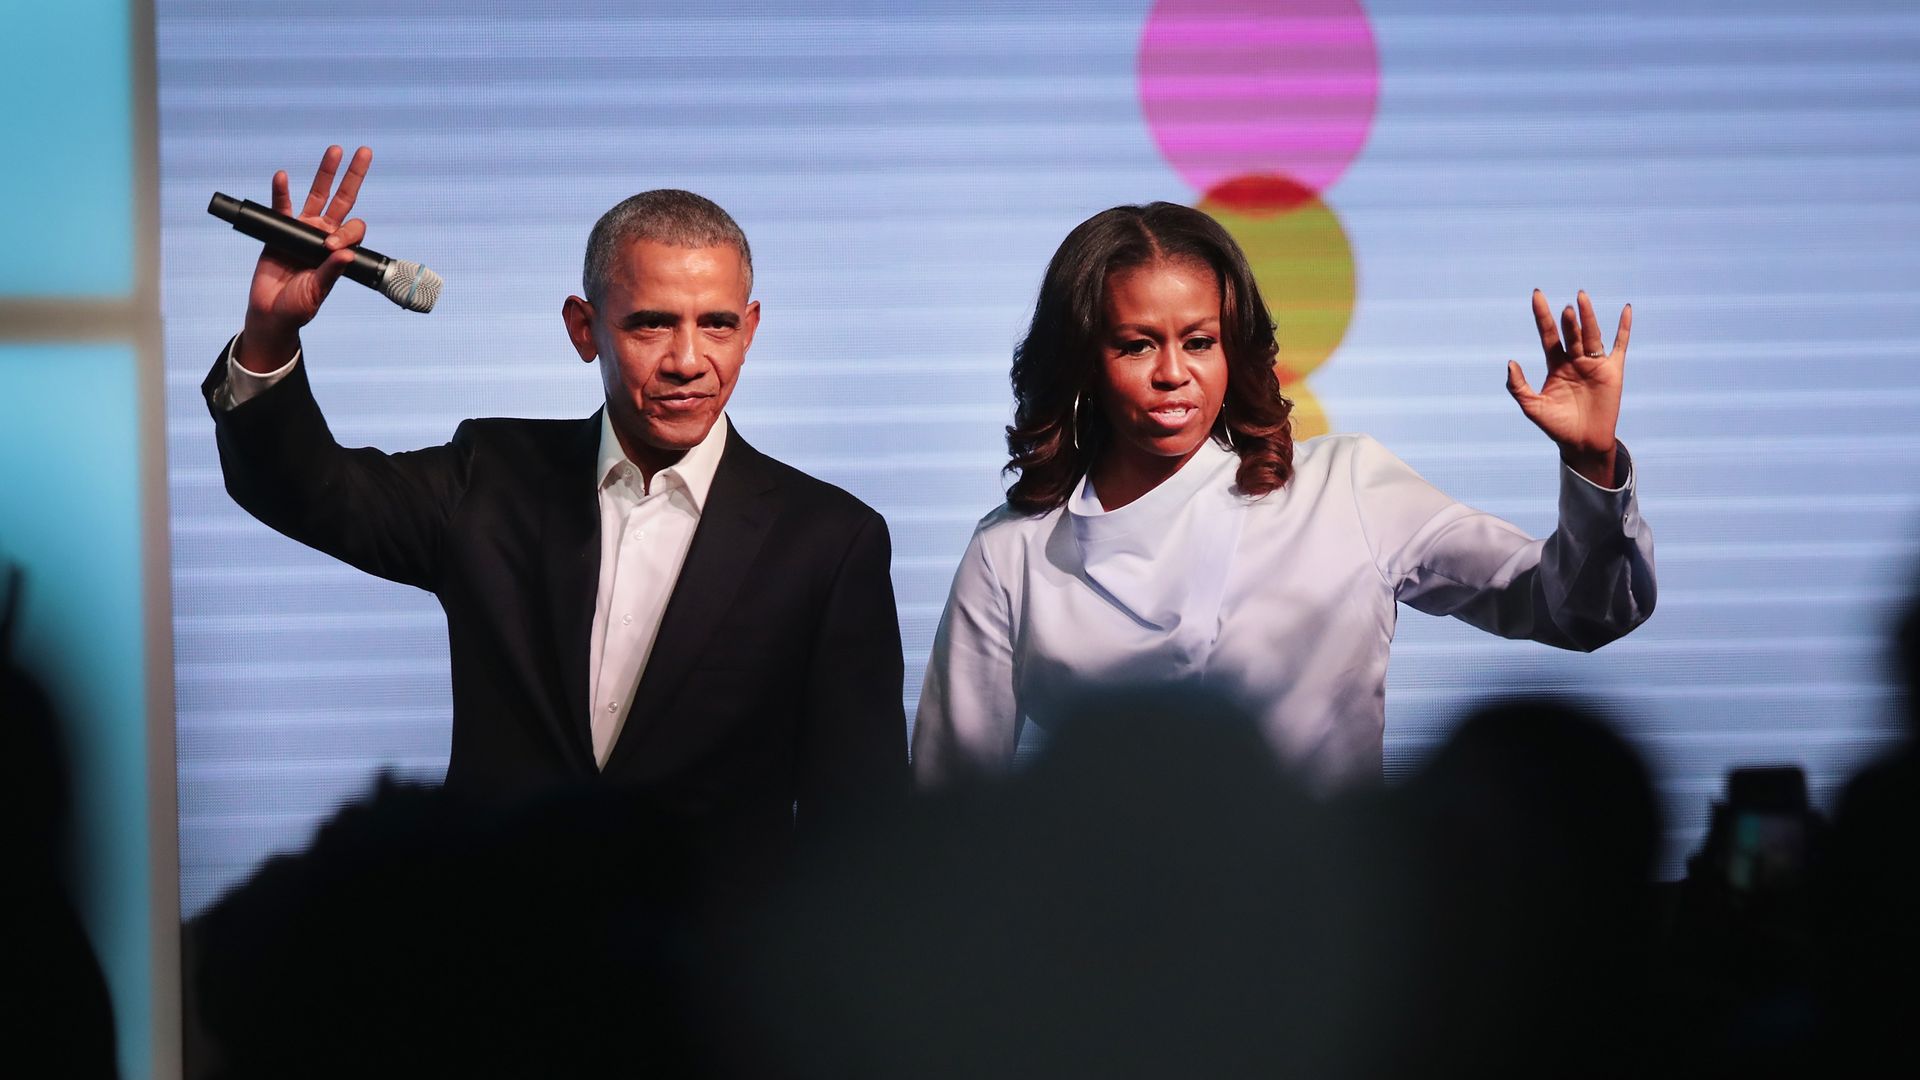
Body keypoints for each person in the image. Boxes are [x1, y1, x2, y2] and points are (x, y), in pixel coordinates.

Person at [203, 145, 907, 852]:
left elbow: (860, 821)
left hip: (724, 962)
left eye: (717, 324)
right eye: (651, 323)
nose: (688, 360)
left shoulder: (830, 541)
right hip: (503, 953)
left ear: (749, 329)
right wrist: (271, 333)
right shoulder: (492, 475)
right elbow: (306, 492)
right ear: (583, 328)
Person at [912, 202, 1656, 789]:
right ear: (1082, 360)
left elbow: (1578, 611)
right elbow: (951, 803)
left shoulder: (1347, 486)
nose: (1174, 373)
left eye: (1199, 341)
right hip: (1098, 954)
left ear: (1234, 347)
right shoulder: (1011, 550)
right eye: (1137, 344)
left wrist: (1590, 462)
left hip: (1329, 949)